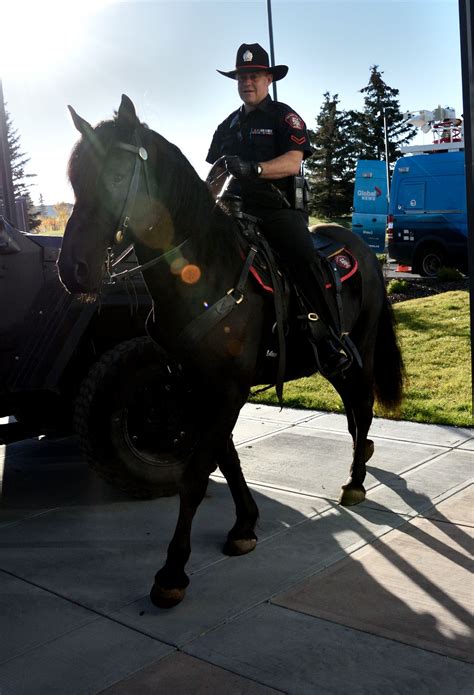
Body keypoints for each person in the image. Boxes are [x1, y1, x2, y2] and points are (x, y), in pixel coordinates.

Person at [206, 43, 351, 377]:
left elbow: (292, 162)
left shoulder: (284, 116)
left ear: (269, 78)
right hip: (232, 211)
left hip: (277, 209)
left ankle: (327, 337)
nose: (247, 82)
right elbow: (214, 175)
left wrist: (254, 169)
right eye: (242, 76)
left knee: (301, 255)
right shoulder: (226, 127)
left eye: (254, 75)